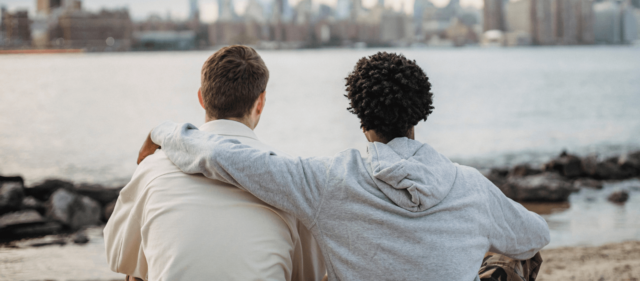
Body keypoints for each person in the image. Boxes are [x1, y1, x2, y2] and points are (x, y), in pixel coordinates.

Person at [140, 51, 550, 281]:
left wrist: (164, 132)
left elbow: (222, 156)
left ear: (359, 114)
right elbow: (535, 236)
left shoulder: (324, 181)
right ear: (420, 113)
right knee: (516, 258)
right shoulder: (470, 186)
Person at [104, 45, 325, 281]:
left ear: (201, 97)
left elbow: (118, 257)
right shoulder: (292, 179)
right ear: (260, 102)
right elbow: (306, 275)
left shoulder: (153, 168)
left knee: (135, 274)